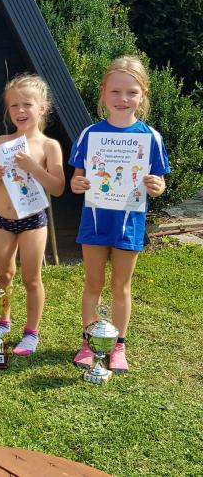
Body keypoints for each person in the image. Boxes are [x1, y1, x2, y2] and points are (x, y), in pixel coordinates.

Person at [69, 55, 170, 372]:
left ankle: (118, 346)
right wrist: (78, 183)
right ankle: (89, 343)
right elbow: (76, 180)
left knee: (121, 287)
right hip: (95, 223)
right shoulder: (89, 135)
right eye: (115, 91)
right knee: (93, 283)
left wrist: (157, 186)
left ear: (143, 95)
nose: (123, 98)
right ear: (103, 92)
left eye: (131, 92)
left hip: (129, 224)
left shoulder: (151, 137)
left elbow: (159, 181)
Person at [0, 74, 65, 356]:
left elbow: (58, 187)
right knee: (4, 275)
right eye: (14, 105)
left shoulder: (49, 146)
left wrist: (34, 168)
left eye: (27, 104)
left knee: (31, 278)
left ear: (42, 108)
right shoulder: (1, 142)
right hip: (2, 221)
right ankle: (3, 321)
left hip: (33, 221)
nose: (20, 110)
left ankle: (31, 333)